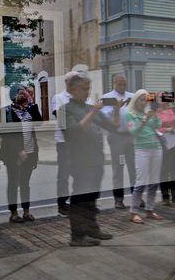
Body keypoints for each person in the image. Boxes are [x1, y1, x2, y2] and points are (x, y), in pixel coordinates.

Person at [62, 73, 121, 245]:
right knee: (80, 198)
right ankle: (77, 236)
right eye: (84, 89)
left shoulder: (89, 108)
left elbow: (113, 126)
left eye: (89, 89)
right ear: (72, 90)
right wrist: (94, 111)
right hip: (80, 161)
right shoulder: (65, 109)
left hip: (96, 159)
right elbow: (75, 131)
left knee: (91, 198)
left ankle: (92, 229)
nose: (87, 92)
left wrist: (116, 110)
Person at [0, 84, 43, 224]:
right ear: (13, 95)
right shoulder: (6, 111)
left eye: (25, 94)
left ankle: (26, 211)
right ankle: (13, 213)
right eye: (20, 94)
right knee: (13, 183)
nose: (23, 96)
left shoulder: (28, 110)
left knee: (25, 183)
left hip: (30, 152)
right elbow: (5, 134)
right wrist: (19, 150)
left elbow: (39, 123)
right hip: (14, 154)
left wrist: (31, 102)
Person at [51, 71, 87, 217]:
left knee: (81, 173)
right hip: (64, 141)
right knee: (64, 174)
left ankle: (80, 203)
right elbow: (61, 117)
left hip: (80, 142)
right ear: (66, 82)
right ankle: (62, 204)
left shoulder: (83, 98)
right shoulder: (58, 98)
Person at [126, 90, 164, 223]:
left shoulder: (147, 113)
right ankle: (133, 212)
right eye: (140, 100)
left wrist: (155, 116)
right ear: (135, 100)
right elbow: (134, 132)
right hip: (142, 149)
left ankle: (150, 209)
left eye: (145, 100)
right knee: (140, 181)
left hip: (156, 147)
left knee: (154, 180)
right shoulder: (129, 114)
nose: (143, 102)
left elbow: (158, 126)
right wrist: (144, 120)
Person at [101, 74, 135, 209]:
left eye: (124, 84)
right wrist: (115, 107)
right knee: (118, 168)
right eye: (119, 84)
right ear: (114, 83)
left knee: (134, 168)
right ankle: (119, 199)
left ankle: (136, 196)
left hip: (131, 135)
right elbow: (103, 116)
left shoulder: (131, 96)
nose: (122, 87)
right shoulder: (108, 97)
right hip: (116, 136)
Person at [156, 90, 175, 205]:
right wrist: (165, 130)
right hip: (165, 143)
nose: (162, 98)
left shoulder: (174, 109)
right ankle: (165, 196)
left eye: (164, 96)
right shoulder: (156, 113)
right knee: (164, 169)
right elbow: (155, 127)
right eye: (160, 97)